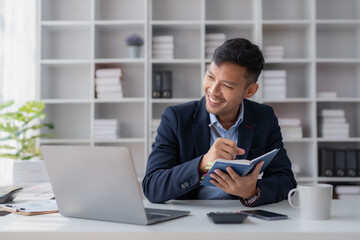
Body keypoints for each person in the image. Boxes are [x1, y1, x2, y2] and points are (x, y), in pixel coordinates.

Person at [142, 38, 297, 206]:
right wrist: (202, 164)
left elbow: (286, 180)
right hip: (190, 220)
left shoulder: (264, 118)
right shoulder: (176, 118)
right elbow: (152, 187)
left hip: (242, 218)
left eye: (227, 86)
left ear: (250, 91)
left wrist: (252, 192)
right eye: (210, 76)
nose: (213, 91)